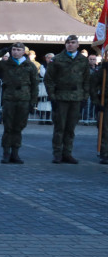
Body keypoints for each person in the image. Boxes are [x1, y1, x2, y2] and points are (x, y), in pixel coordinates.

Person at [0, 43, 38, 163]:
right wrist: (2, 51)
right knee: (8, 127)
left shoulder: (30, 65)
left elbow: (35, 85)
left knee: (18, 128)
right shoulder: (6, 63)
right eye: (13, 49)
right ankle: (6, 153)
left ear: (24, 52)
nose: (15, 52)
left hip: (24, 100)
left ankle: (15, 153)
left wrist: (33, 102)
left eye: (18, 50)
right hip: (9, 99)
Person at [44, 34, 90, 164]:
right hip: (61, 97)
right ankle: (57, 153)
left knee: (70, 128)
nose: (70, 44)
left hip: (76, 98)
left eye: (73, 42)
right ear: (65, 44)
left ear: (78, 45)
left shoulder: (83, 60)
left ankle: (67, 153)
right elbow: (49, 79)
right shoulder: (57, 59)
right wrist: (52, 97)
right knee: (59, 127)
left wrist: (85, 97)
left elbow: (86, 80)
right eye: (68, 42)